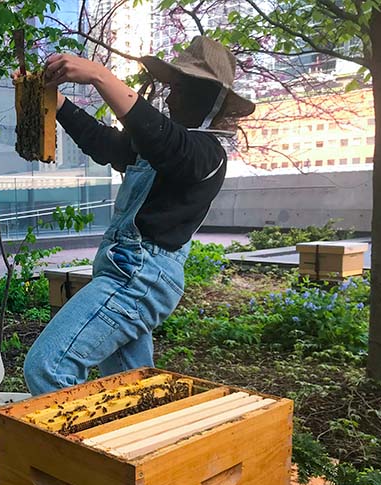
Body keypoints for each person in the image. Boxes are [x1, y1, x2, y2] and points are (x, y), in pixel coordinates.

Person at [23, 36, 255, 396]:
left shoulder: (207, 155)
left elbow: (162, 141)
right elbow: (106, 144)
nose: (170, 97)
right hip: (125, 270)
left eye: (179, 89)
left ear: (207, 97)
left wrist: (100, 76)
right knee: (133, 394)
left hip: (139, 277)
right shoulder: (166, 143)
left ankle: (70, 454)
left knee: (49, 367)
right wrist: (56, 101)